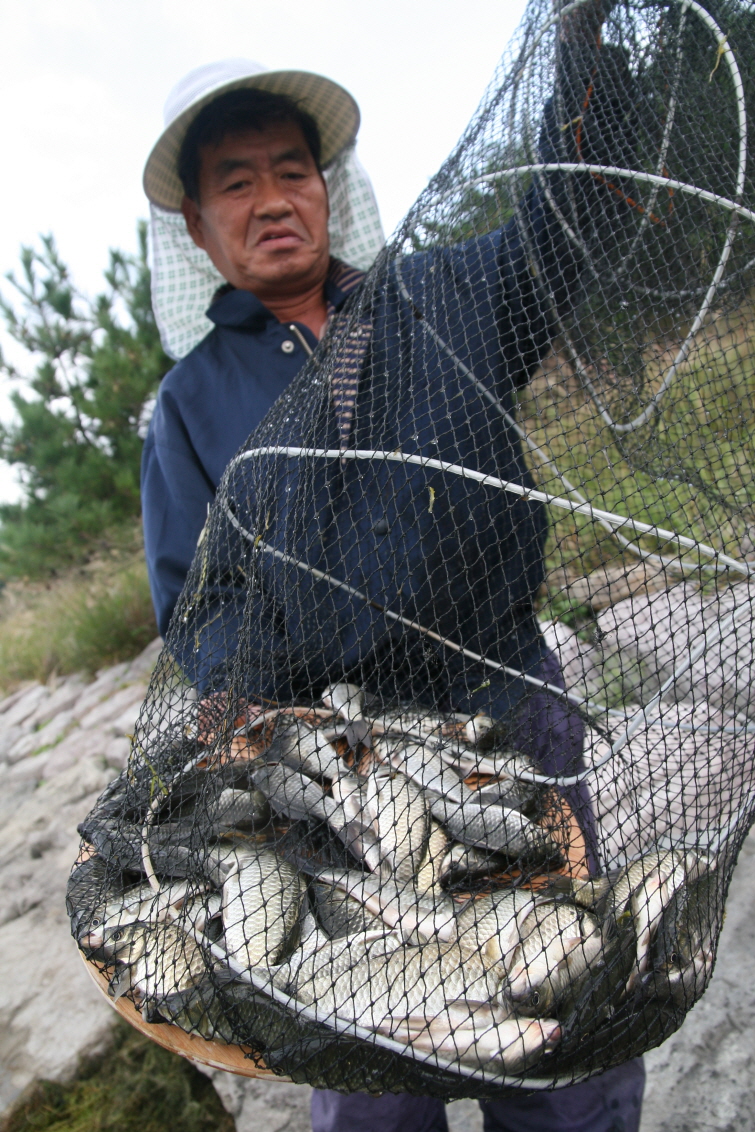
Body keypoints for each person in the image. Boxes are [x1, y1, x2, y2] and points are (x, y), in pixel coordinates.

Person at [140, 28, 645, 1132]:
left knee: (561, 1026)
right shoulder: (188, 407)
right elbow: (195, 608)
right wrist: (295, 736)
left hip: (511, 719)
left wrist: (586, 80)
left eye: (291, 170)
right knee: (379, 1079)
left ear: (326, 191)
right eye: (236, 183)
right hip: (346, 781)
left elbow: (557, 237)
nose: (272, 199)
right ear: (196, 227)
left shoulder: (443, 295)